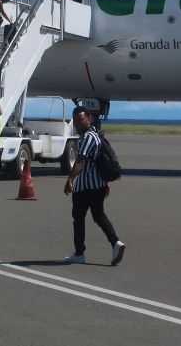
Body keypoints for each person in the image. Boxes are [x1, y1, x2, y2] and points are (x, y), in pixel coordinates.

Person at [63, 106, 124, 266]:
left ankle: (79, 253)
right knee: (98, 216)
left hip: (86, 187)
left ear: (89, 118)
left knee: (78, 218)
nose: (78, 123)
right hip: (98, 185)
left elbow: (80, 161)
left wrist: (70, 180)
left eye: (81, 119)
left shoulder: (89, 137)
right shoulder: (95, 135)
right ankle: (116, 244)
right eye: (75, 121)